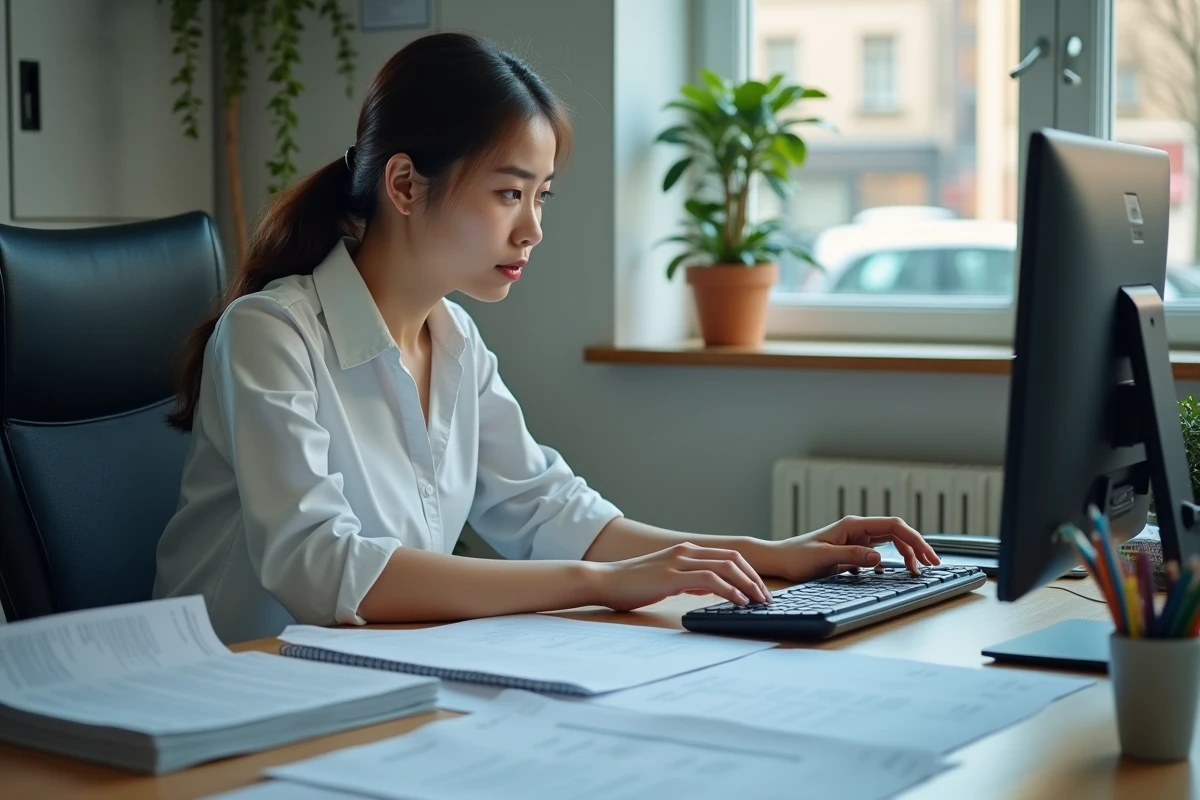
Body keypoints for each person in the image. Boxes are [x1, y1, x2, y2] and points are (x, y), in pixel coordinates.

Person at [153, 32, 939, 644]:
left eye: (541, 197)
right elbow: (320, 570)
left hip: (370, 683)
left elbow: (554, 513)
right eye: (507, 194)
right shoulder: (270, 334)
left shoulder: (454, 339)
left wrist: (776, 552)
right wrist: (602, 582)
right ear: (403, 185)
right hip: (229, 697)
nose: (531, 229)